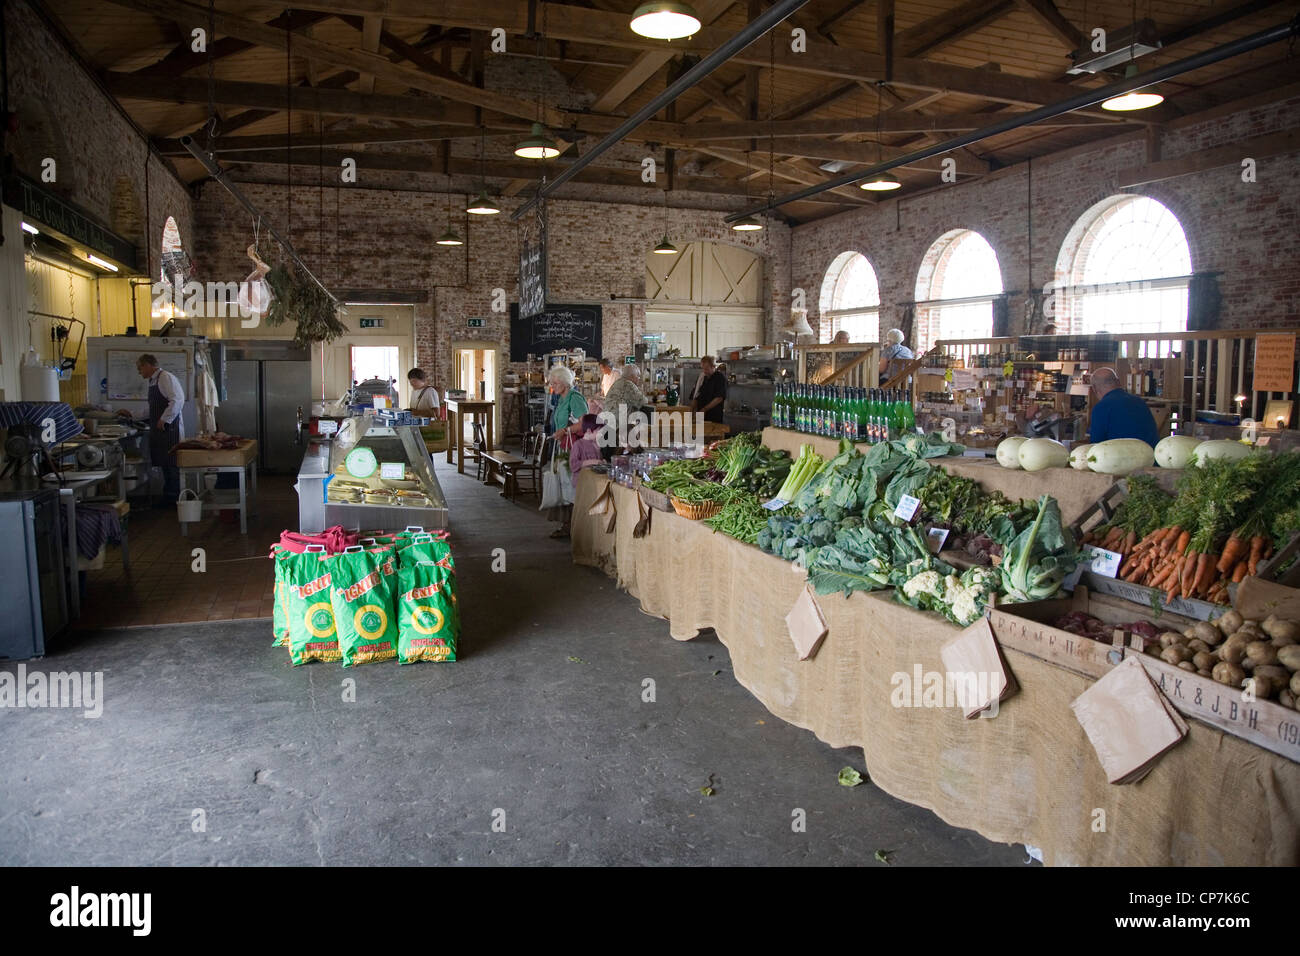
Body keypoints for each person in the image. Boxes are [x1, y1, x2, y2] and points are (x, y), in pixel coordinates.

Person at [136, 353, 185, 504]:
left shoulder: (165, 377)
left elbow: (177, 399)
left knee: (172, 465)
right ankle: (169, 497)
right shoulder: (153, 381)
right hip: (161, 431)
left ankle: (175, 499)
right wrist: (132, 414)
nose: (139, 371)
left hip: (170, 430)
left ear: (148, 365)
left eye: (140, 368)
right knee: (165, 465)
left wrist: (165, 419)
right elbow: (152, 408)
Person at [1088, 366, 1158, 447]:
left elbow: (1096, 445)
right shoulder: (1140, 402)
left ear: (1095, 389)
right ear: (1118, 382)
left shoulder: (1101, 408)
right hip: (1150, 456)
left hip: (1124, 458)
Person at [600, 365, 649, 456]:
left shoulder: (617, 382)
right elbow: (643, 401)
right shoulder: (629, 385)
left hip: (607, 425)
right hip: (619, 427)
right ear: (631, 376)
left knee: (610, 455)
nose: (638, 379)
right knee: (621, 455)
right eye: (637, 376)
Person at [690, 355, 727, 424]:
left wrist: (705, 409)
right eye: (703, 369)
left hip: (713, 415)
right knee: (699, 433)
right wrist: (692, 408)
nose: (704, 371)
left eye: (707, 369)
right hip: (700, 413)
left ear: (713, 367)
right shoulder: (703, 377)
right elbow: (697, 393)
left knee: (711, 433)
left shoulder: (720, 378)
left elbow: (719, 398)